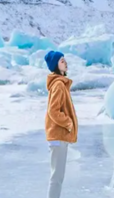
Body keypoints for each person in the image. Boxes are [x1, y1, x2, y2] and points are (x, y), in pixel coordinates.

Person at [44, 50, 78, 198]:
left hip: (58, 135)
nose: (65, 62)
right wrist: (68, 123)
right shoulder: (58, 84)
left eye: (65, 60)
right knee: (56, 177)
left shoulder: (60, 84)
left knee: (57, 176)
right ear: (56, 65)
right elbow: (53, 111)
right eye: (62, 60)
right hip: (58, 135)